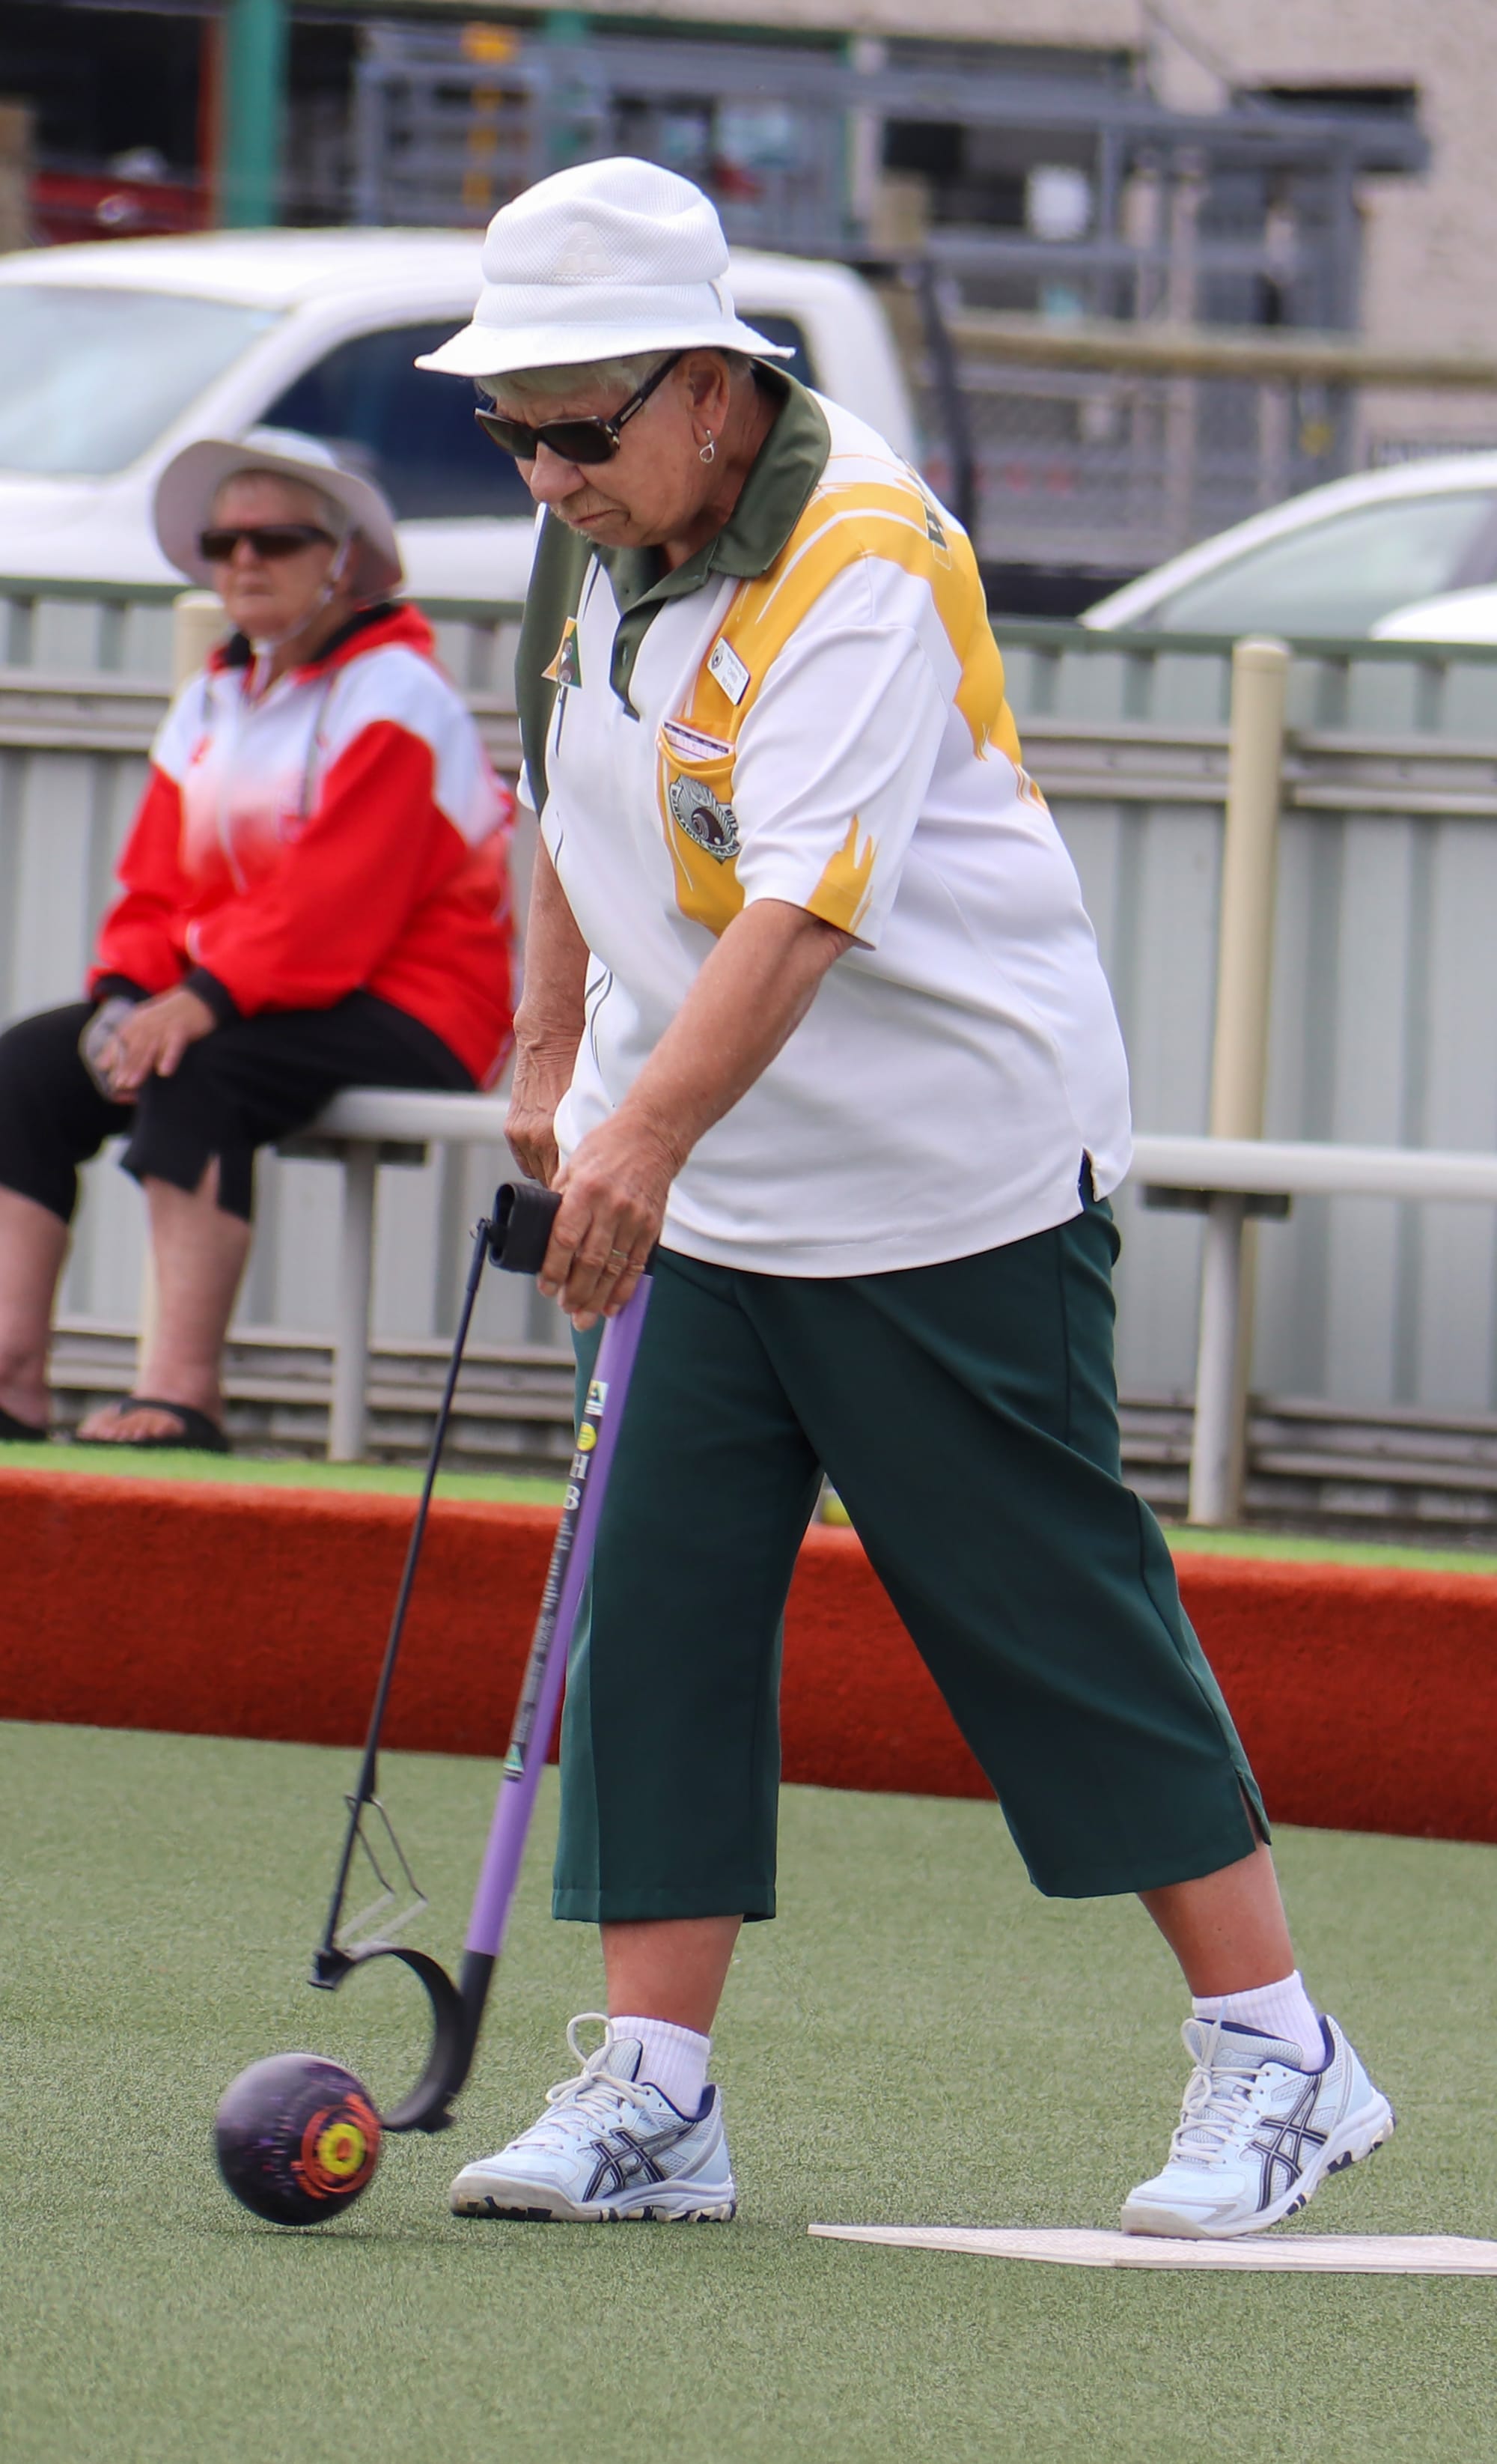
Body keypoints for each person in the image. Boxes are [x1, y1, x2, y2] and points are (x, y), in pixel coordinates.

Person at [421, 159, 1393, 2239]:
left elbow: (800, 910)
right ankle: (658, 2089)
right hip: (714, 1187)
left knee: (1044, 1609)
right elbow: (565, 801)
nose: (548, 471)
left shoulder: (858, 550)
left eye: (579, 426)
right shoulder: (588, 531)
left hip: (950, 1176)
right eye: (511, 428)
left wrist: (638, 1137)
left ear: (711, 388)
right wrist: (548, 1048)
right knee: (657, 1614)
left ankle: (1284, 2050)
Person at [0, 431, 513, 1452]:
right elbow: (154, 885)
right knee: (26, 1070)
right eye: (221, 542)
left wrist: (198, 1002)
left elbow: (339, 908)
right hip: (255, 997)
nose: (242, 560)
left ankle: (182, 1397)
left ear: (344, 562)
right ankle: (11, 1382)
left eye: (275, 540)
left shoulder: (399, 693)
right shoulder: (212, 698)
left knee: (203, 1067)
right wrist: (124, 997)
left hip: (418, 1008)